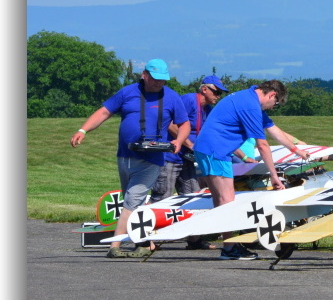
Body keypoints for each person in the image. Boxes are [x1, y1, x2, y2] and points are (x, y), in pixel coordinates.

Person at [70, 59, 190, 259]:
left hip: (152, 159)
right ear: (144, 75)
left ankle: (114, 246)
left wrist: (179, 140)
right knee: (134, 203)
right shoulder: (127, 92)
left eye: (163, 80)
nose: (159, 83)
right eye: (155, 78)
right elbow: (104, 112)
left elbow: (184, 123)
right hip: (125, 157)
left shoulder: (172, 97)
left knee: (131, 202)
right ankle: (145, 243)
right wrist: (83, 130)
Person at [193, 80, 311, 260]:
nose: (273, 107)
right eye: (276, 103)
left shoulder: (248, 98)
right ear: (272, 95)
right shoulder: (251, 106)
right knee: (227, 200)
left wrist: (296, 150)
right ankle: (229, 248)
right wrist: (274, 176)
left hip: (208, 149)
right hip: (216, 151)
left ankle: (229, 245)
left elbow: (274, 130)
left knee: (221, 200)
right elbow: (262, 145)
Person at [152, 74, 229, 250]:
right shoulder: (187, 101)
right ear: (204, 89)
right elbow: (170, 124)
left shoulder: (208, 109)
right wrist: (190, 145)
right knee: (163, 197)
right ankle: (150, 239)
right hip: (170, 157)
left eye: (220, 93)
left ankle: (194, 240)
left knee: (194, 197)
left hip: (187, 160)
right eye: (216, 92)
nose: (218, 96)